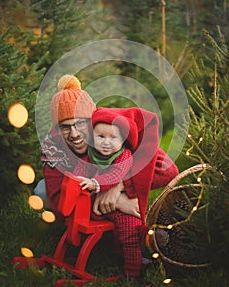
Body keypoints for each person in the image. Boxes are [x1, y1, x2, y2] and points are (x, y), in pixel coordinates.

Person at [36, 74, 179, 224]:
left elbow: (169, 171)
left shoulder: (109, 131)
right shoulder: (52, 147)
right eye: (64, 127)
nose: (74, 134)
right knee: (42, 191)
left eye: (80, 124)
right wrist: (117, 201)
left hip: (107, 182)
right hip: (82, 190)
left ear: (92, 120)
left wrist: (118, 187)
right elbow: (59, 202)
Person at [73, 107, 143, 276]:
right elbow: (78, 173)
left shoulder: (124, 155)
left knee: (130, 228)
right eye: (100, 137)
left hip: (118, 204)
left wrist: (95, 183)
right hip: (96, 203)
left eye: (113, 137)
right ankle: (111, 252)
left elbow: (115, 174)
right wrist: (77, 181)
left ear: (123, 139)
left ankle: (133, 270)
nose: (106, 142)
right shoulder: (90, 155)